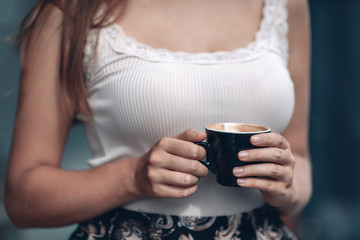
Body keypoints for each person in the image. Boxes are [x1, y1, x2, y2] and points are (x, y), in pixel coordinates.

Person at [5, 0, 312, 239]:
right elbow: (22, 200)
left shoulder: (285, 6)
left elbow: (299, 156)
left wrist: (289, 188)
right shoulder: (71, 11)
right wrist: (133, 177)